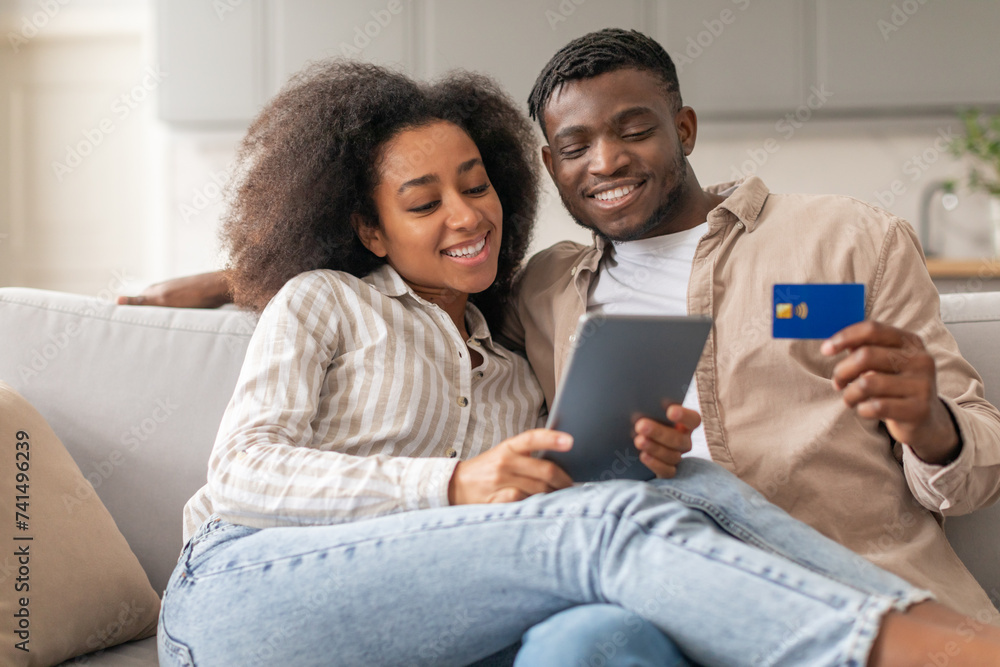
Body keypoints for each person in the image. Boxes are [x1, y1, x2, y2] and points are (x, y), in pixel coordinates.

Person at [152, 58, 1000, 667]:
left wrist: (633, 457)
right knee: (608, 521)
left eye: (476, 184)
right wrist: (237, 280)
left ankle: (935, 627)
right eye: (422, 202)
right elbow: (242, 472)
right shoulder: (330, 300)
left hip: (469, 607)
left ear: (685, 128)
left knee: (634, 563)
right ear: (370, 229)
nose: (465, 214)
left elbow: (562, 500)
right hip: (253, 586)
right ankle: (928, 649)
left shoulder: (520, 336)